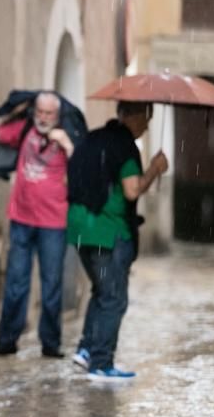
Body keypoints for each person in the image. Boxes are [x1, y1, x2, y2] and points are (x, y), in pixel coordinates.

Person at [67, 101, 168, 380]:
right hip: (108, 233)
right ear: (129, 116)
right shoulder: (125, 146)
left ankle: (86, 349)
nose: (147, 126)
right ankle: (101, 363)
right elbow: (132, 190)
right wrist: (154, 169)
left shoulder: (92, 138)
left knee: (101, 290)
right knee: (114, 298)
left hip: (79, 229)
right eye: (144, 119)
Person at [0, 92, 74, 358]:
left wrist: (67, 145)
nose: (43, 118)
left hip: (53, 222)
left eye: (49, 114)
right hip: (21, 217)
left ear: (58, 116)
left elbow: (80, 171)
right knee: (16, 282)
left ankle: (51, 344)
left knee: (51, 284)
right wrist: (13, 111)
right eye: (40, 112)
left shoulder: (67, 137)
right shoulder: (24, 130)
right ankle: (7, 340)